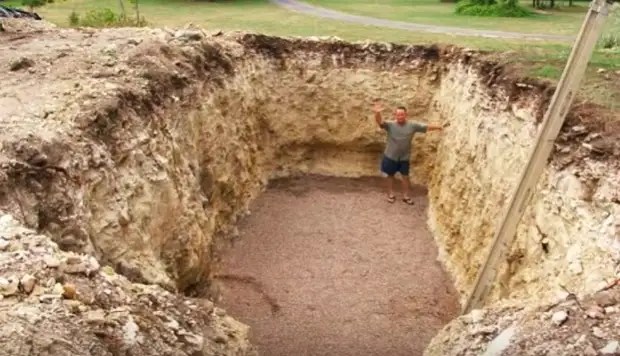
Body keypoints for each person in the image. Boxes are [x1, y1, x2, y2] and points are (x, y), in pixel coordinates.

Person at [373, 99, 444, 205]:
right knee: (390, 176)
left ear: (406, 115)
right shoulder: (390, 125)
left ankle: (406, 196)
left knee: (405, 177)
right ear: (395, 115)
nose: (400, 116)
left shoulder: (412, 125)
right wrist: (377, 112)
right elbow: (379, 122)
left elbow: (426, 127)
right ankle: (390, 194)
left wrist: (439, 127)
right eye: (398, 115)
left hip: (404, 158)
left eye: (402, 114)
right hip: (390, 156)